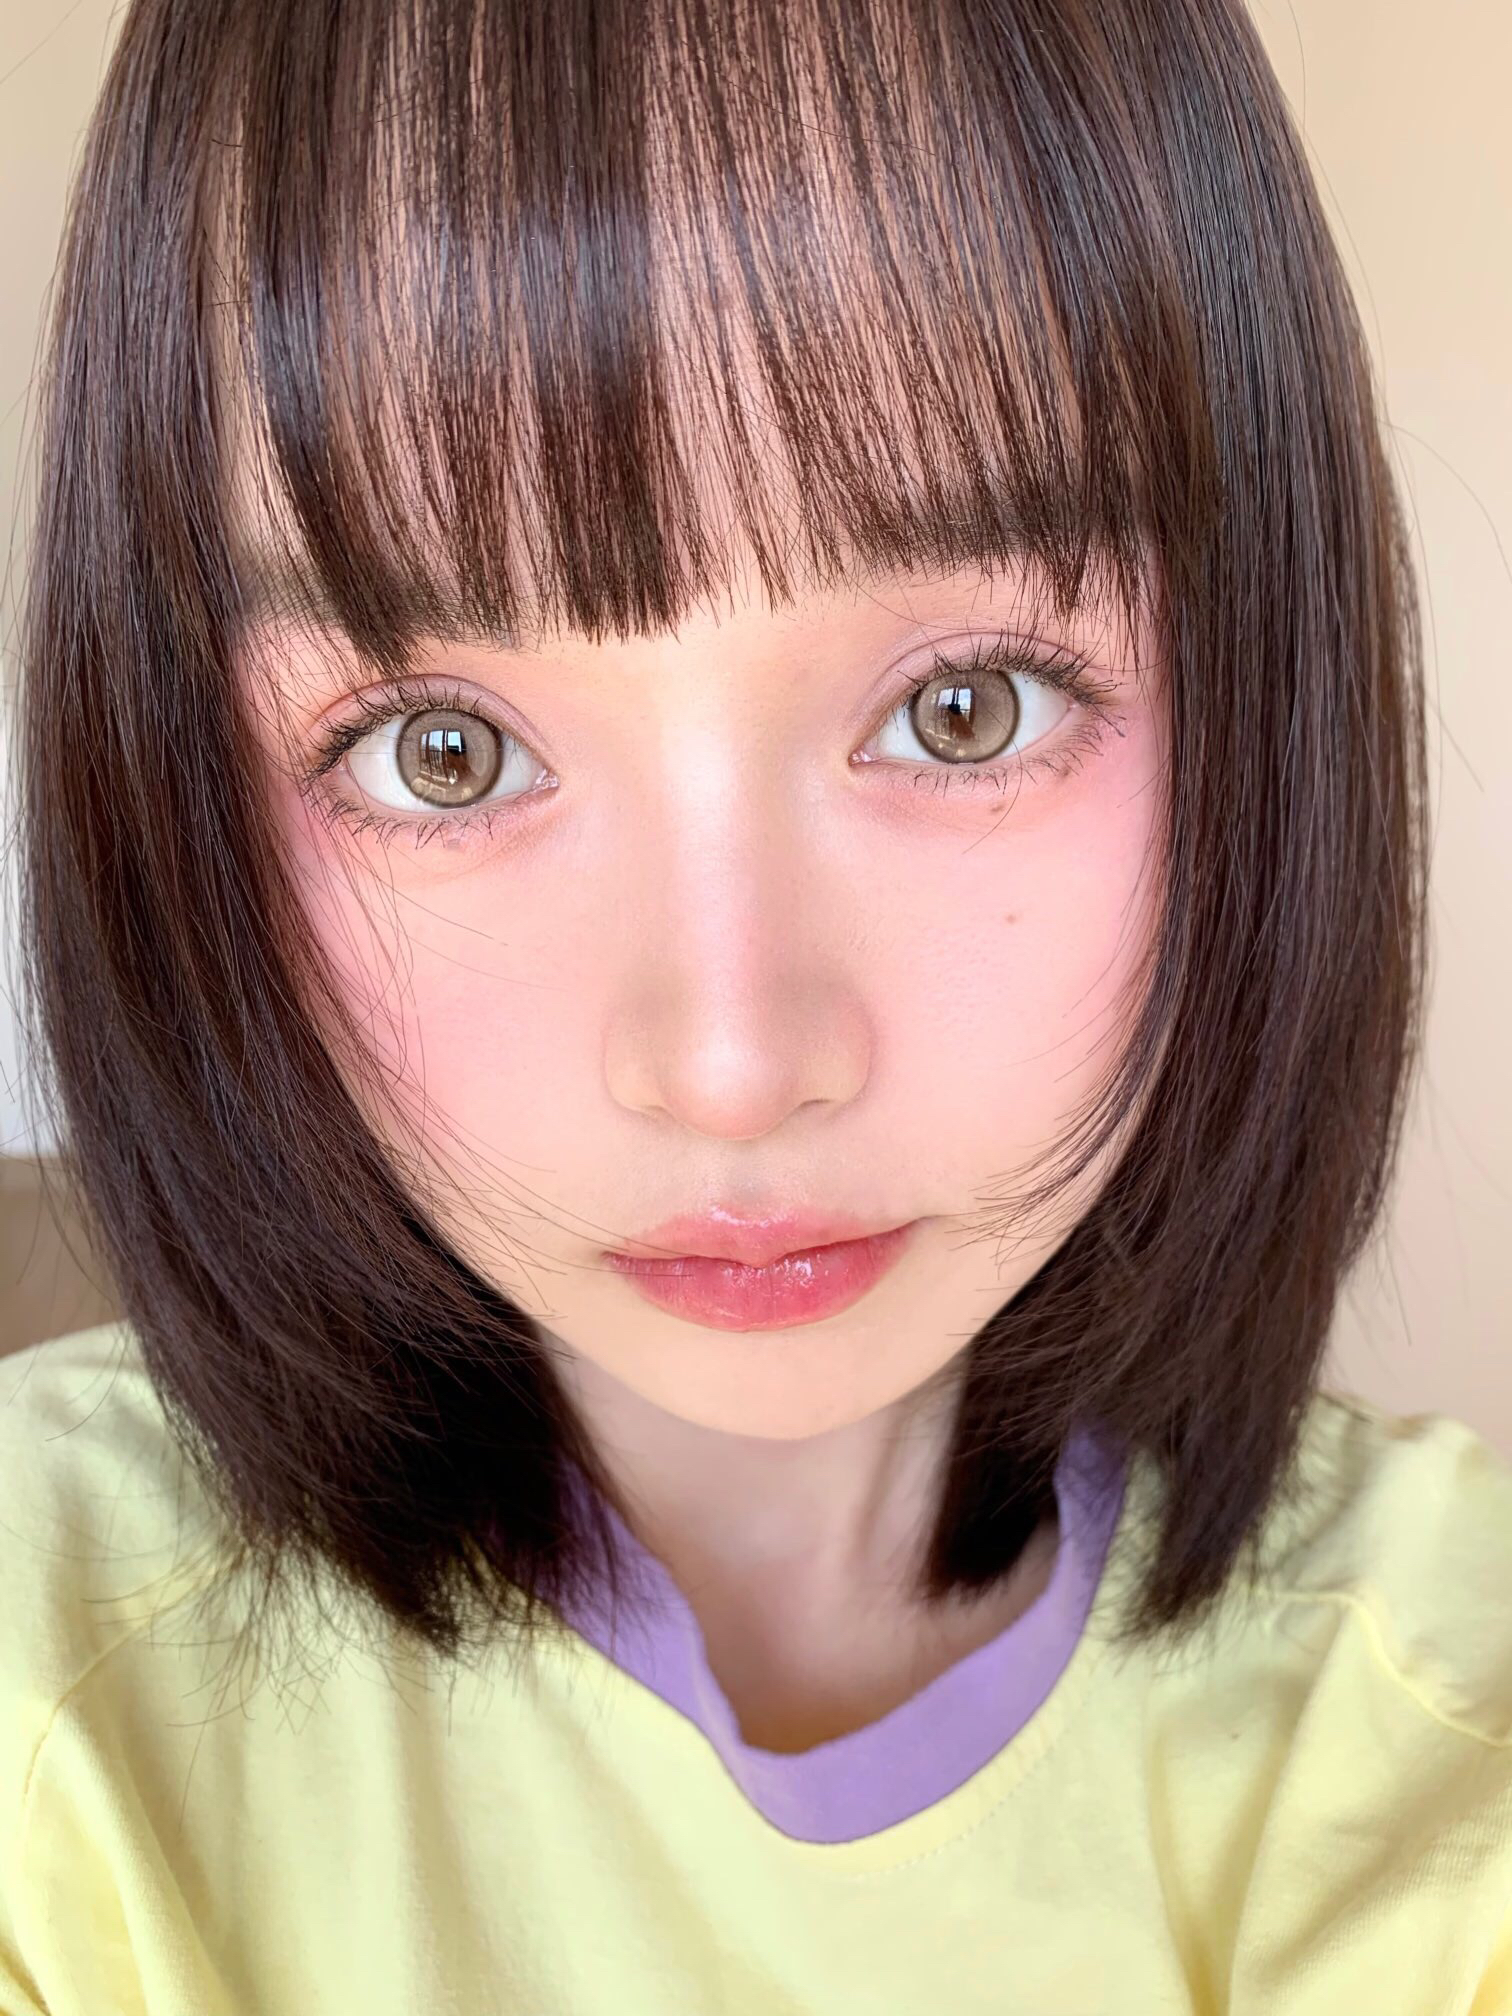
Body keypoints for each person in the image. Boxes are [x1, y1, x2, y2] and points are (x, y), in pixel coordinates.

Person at [3, 0, 1509, 2008]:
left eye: (965, 708)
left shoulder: (1440, 1726)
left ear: (1268, 697)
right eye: (444, 752)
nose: (729, 1066)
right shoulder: (52, 1681)